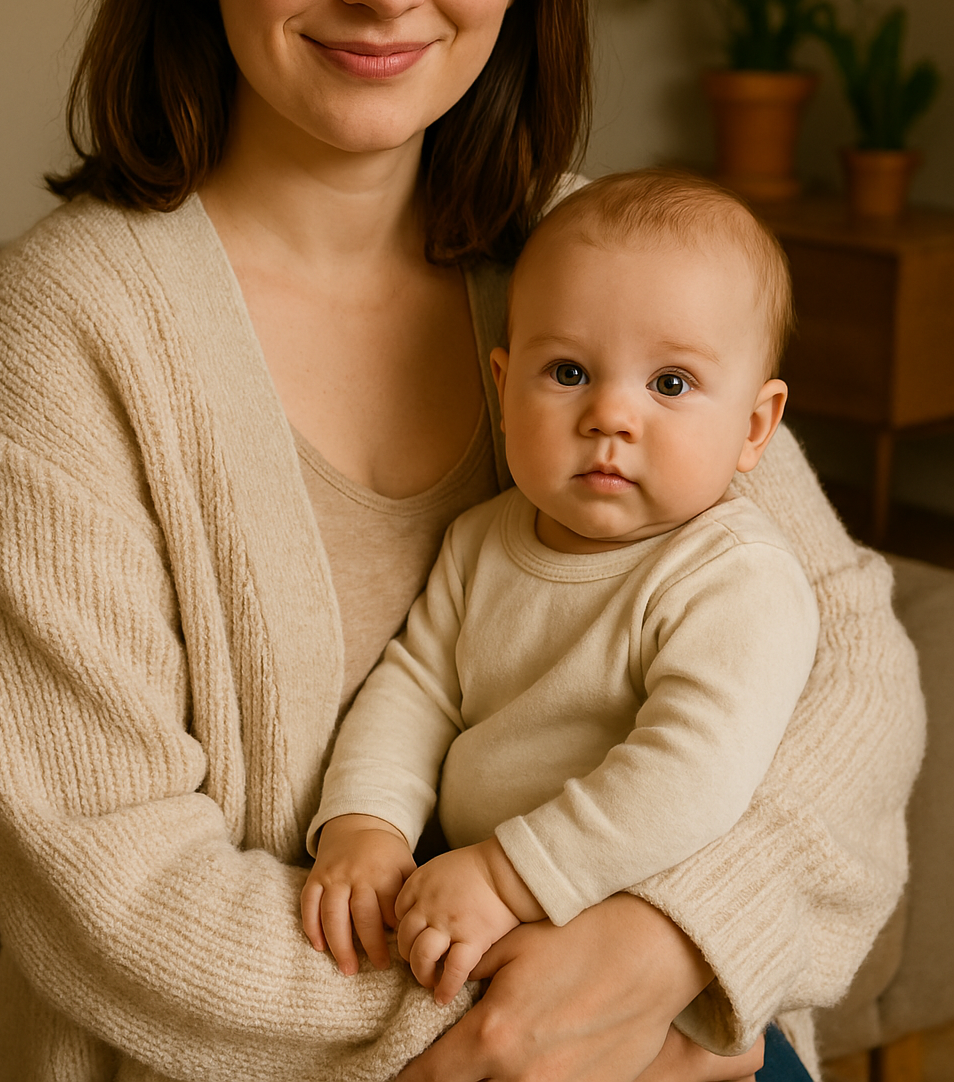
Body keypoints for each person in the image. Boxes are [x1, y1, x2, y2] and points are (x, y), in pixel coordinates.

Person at [0, 0, 923, 1082]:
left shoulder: (588, 268)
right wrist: (507, 1026)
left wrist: (663, 952)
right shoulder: (64, 336)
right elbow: (110, 892)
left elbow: (853, 669)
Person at [303, 171, 820, 1013]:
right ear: (504, 388)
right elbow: (416, 689)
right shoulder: (482, 541)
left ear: (755, 427)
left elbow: (690, 773)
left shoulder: (734, 576)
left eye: (671, 384)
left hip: (636, 957)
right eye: (571, 371)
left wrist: (508, 874)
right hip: (480, 917)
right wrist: (367, 822)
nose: (611, 415)